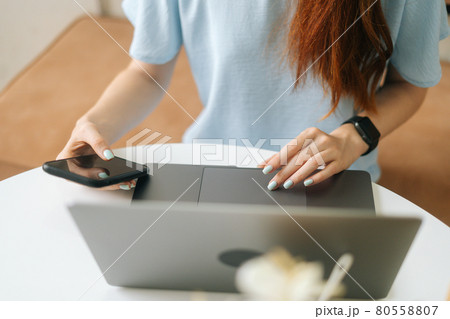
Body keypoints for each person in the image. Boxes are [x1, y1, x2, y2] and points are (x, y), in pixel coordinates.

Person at [58, 0, 449, 191]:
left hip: (336, 181)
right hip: (208, 171)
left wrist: (353, 137)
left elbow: (410, 85)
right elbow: (147, 72)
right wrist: (94, 124)